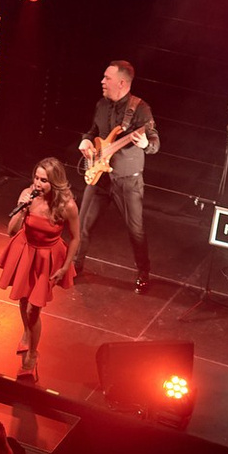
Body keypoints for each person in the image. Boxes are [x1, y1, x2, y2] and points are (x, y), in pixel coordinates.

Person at [57, 61, 160, 293]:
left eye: (107, 78)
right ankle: (75, 265)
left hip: (127, 180)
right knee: (82, 224)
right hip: (100, 175)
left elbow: (154, 142)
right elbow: (93, 131)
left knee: (135, 229)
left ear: (122, 83)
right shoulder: (101, 105)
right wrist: (85, 140)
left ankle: (143, 271)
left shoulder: (141, 109)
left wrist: (146, 144)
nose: (102, 82)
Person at [0, 159, 79, 383]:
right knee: (23, 298)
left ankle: (32, 355)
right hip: (26, 251)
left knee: (34, 309)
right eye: (36, 178)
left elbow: (76, 238)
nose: (38, 184)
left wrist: (65, 266)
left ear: (55, 182)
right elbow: (11, 230)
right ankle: (27, 332)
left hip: (47, 258)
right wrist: (23, 210)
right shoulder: (27, 196)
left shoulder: (67, 206)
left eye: (44, 180)